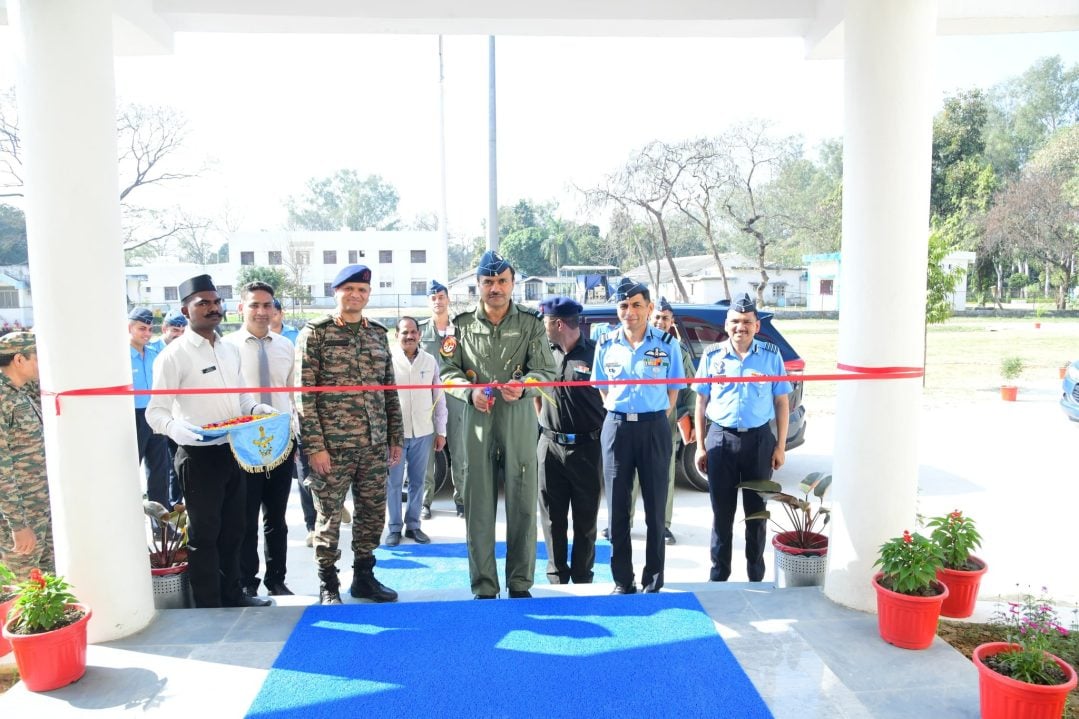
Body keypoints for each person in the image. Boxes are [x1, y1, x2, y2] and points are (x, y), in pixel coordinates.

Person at [146, 274, 276, 608]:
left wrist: (257, 408)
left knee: (235, 530)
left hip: (234, 450)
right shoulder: (173, 356)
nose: (212, 308)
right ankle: (208, 604)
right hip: (197, 455)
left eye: (216, 302)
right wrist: (176, 430)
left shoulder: (229, 349)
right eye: (203, 302)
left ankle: (234, 595)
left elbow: (242, 396)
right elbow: (156, 412)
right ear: (185, 309)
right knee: (205, 535)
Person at [441, 251, 555, 599]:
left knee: (522, 502)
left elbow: (547, 373)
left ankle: (520, 585)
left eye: (502, 281)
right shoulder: (459, 326)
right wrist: (468, 391)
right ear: (478, 285)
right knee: (478, 505)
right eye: (488, 282)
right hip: (477, 420)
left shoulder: (531, 324)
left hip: (518, 418)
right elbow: (447, 373)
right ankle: (484, 587)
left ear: (512, 284)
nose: (495, 288)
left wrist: (525, 386)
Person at [296, 264, 404, 605]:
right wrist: (315, 446)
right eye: (349, 289)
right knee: (328, 517)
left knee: (373, 513)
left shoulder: (377, 334)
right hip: (333, 447)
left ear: (368, 295)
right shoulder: (316, 333)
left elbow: (389, 390)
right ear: (336, 292)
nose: (356, 295)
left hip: (373, 445)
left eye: (362, 290)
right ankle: (328, 582)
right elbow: (304, 394)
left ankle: (364, 577)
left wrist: (395, 438)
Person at [592, 278, 685, 594]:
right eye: (623, 306)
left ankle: (653, 578)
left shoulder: (667, 344)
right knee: (618, 508)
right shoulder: (606, 344)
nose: (629, 312)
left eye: (636, 305)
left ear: (648, 308)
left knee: (656, 508)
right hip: (617, 428)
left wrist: (655, 414)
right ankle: (622, 579)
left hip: (653, 428)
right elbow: (602, 387)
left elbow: (674, 390)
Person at [693, 293, 791, 582]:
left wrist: (781, 446)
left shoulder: (771, 357)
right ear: (726, 324)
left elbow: (782, 402)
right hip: (721, 440)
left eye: (747, 322)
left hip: (759, 442)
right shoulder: (712, 356)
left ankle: (756, 575)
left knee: (756, 515)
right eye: (735, 321)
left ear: (756, 325)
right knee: (722, 515)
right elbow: (701, 402)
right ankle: (719, 576)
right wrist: (700, 446)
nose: (741, 327)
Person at [223, 282, 297, 597]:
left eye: (267, 305)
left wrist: (296, 434)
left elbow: (294, 396)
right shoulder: (226, 348)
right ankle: (247, 582)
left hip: (280, 443)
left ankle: (276, 579)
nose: (261, 311)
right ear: (242, 308)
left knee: (277, 519)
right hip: (243, 446)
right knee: (245, 517)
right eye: (254, 305)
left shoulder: (285, 346)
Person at [535, 296, 605, 585]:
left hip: (587, 447)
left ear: (558, 323)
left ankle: (582, 576)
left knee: (585, 520)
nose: (543, 327)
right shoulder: (543, 353)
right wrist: (545, 426)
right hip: (550, 447)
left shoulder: (595, 354)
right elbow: (536, 393)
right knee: (552, 519)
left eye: (546, 322)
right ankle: (557, 576)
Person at [385, 316, 446, 546]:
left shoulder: (429, 361)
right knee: (393, 482)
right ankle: (393, 528)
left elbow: (438, 398)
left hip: (423, 431)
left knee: (418, 481)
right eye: (404, 332)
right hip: (395, 436)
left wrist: (441, 431)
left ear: (419, 335)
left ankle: (413, 526)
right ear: (396, 335)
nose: (409, 336)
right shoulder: (387, 360)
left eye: (413, 332)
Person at [0, 332, 54, 578]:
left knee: (46, 586)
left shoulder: (20, 390)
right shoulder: (3, 398)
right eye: (38, 359)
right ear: (19, 360)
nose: (43, 365)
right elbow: (3, 469)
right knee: (23, 591)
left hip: (39, 508)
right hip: (18, 517)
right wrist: (18, 525)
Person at [418, 279, 464, 519]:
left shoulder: (459, 329)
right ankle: (426, 502)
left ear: (448, 299)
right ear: (429, 301)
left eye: (441, 297)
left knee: (459, 449)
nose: (438, 301)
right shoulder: (421, 330)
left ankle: (461, 500)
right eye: (433, 298)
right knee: (427, 452)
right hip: (428, 396)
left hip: (455, 394)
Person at [128, 308, 176, 510]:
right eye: (141, 328)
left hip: (155, 415)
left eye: (149, 329)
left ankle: (161, 523)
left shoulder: (156, 354)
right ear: (129, 328)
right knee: (130, 470)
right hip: (132, 417)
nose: (147, 333)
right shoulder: (120, 357)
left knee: (159, 469)